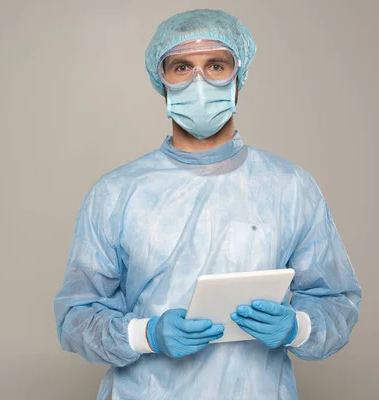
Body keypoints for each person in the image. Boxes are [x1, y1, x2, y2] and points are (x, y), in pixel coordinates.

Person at [54, 9, 362, 400]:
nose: (199, 81)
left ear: (239, 77)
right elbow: (75, 317)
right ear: (161, 81)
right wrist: (146, 334)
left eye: (216, 65)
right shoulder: (117, 193)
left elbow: (336, 302)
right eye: (182, 67)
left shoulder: (289, 188)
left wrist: (297, 326)